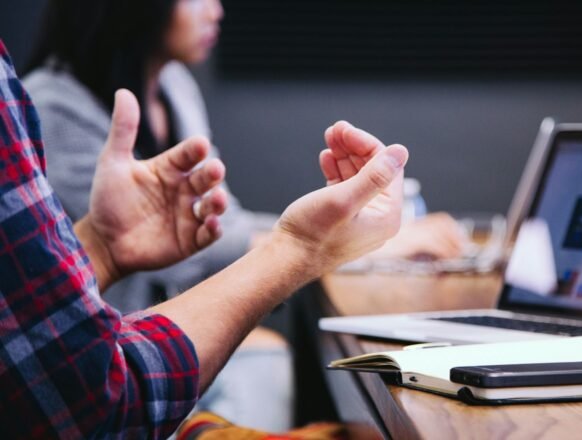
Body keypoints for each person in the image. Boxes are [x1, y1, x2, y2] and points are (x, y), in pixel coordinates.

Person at [23, 0, 464, 429]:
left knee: (270, 357)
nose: (216, 10)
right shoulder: (53, 107)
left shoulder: (173, 84)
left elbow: (216, 224)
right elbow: (200, 252)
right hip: (104, 369)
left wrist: (337, 236)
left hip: (154, 340)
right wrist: (338, 245)